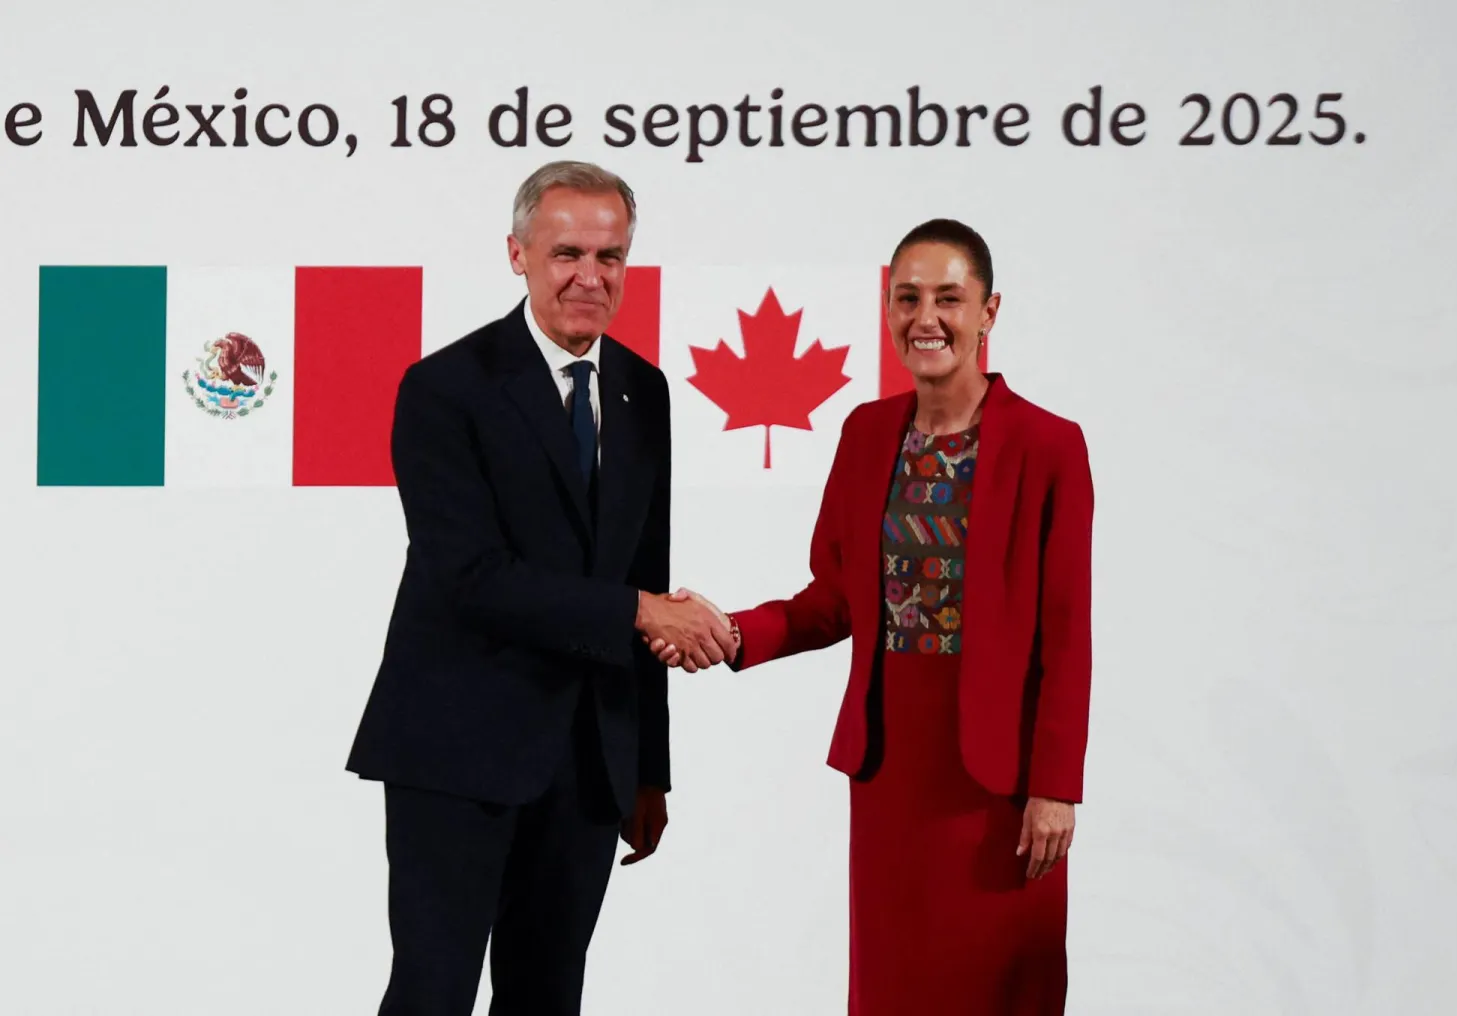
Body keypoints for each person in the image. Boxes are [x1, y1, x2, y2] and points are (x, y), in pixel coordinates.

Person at [651, 218, 1094, 1014]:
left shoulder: (1050, 446)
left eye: (949, 299)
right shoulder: (864, 433)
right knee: (895, 989)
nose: (927, 319)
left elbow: (1067, 634)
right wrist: (734, 633)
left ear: (990, 311)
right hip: (892, 772)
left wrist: (1056, 787)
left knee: (1002, 987)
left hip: (1002, 786)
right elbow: (836, 600)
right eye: (908, 298)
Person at [346, 160, 735, 1016]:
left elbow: (647, 572)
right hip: (456, 749)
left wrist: (647, 767)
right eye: (567, 253)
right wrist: (639, 610)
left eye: (612, 256)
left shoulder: (644, 391)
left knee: (549, 996)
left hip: (590, 758)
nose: (591, 276)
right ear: (517, 254)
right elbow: (468, 578)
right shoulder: (446, 387)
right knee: (432, 993)